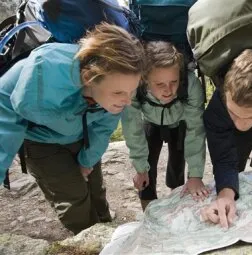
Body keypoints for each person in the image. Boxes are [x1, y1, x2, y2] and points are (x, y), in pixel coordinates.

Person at [0, 23, 145, 234]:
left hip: (78, 131)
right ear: (88, 78)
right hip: (39, 140)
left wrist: (87, 161)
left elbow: (103, 129)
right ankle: (89, 239)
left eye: (131, 91)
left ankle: (106, 230)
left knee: (95, 189)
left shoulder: (112, 88)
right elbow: (6, 123)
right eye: (119, 93)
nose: (128, 101)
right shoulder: (44, 72)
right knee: (73, 197)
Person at [122, 41, 209, 211]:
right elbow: (132, 127)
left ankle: (177, 199)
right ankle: (148, 209)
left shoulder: (190, 85)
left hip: (179, 123)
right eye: (160, 84)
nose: (168, 90)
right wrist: (140, 168)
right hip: (151, 121)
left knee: (177, 165)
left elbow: (195, 130)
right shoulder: (135, 86)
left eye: (173, 82)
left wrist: (196, 175)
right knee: (147, 169)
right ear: (145, 80)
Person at [200, 49, 252, 228]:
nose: (240, 125)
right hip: (223, 121)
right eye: (234, 113)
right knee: (234, 167)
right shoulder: (216, 111)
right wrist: (225, 195)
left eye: (250, 117)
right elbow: (224, 158)